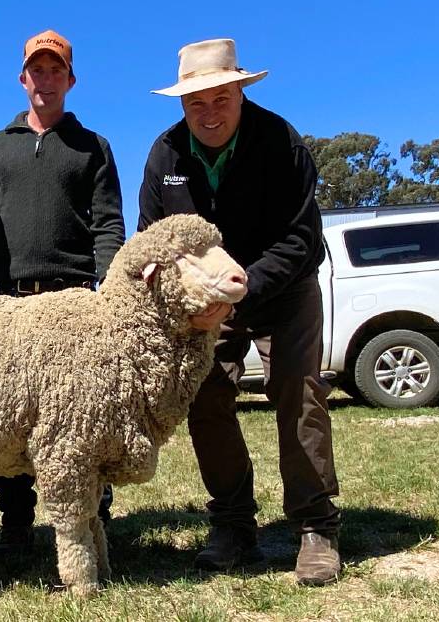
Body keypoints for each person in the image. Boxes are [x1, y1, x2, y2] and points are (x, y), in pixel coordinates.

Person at [137, 38, 341, 586]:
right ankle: (233, 524)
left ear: (240, 92)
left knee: (298, 392)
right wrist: (185, 300)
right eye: (195, 102)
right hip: (207, 304)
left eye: (220, 97)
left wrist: (243, 290)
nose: (209, 112)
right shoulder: (166, 155)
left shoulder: (281, 142)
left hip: (284, 290)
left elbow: (303, 238)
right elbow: (154, 240)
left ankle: (316, 525)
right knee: (204, 395)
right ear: (181, 104)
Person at [0, 29, 125, 559]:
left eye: (56, 70)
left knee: (82, 419)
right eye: (37, 69)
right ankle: (15, 523)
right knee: (11, 415)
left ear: (70, 80)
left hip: (75, 300)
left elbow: (108, 224)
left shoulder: (92, 147)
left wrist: (109, 292)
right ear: (23, 78)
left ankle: (93, 520)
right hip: (9, 301)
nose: (46, 79)